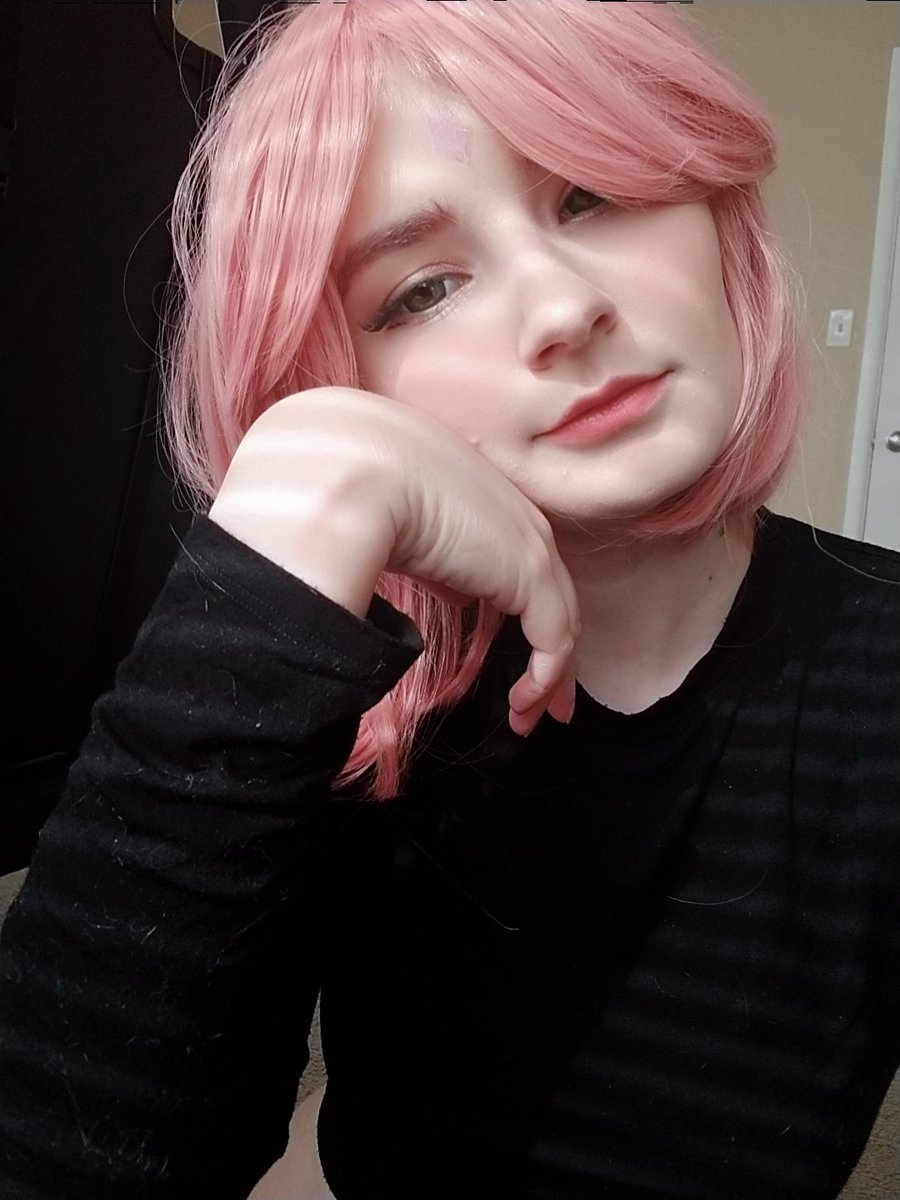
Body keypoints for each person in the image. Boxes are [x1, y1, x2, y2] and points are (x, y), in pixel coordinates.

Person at [0, 2, 897, 1198]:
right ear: (343, 376)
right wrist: (288, 536)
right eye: (422, 290)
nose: (562, 310)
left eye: (592, 196)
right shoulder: (323, 688)